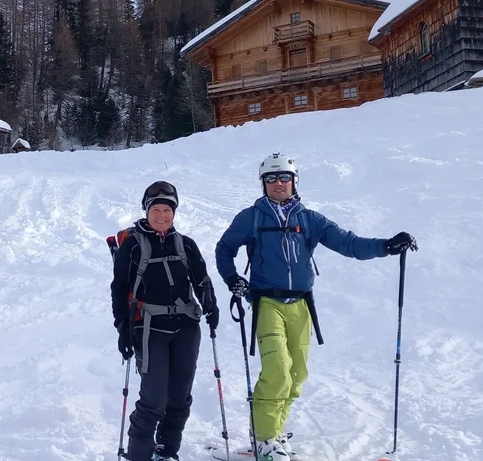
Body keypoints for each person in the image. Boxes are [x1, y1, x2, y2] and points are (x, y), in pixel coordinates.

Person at [215, 153, 417, 461]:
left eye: (284, 177)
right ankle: (264, 440)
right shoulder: (251, 218)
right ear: (263, 184)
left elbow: (349, 243)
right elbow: (224, 248)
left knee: (297, 373)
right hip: (267, 303)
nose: (278, 183)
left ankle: (274, 433)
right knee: (278, 370)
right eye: (271, 178)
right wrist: (233, 279)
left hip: (301, 305)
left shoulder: (309, 219)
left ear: (294, 181)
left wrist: (386, 246)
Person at [111, 180, 219, 461]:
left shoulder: (186, 244)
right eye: (156, 210)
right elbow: (119, 288)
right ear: (147, 211)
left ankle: (166, 451)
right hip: (149, 330)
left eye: (167, 210)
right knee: (154, 400)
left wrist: (210, 304)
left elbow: (201, 279)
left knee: (180, 398)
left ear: (174, 212)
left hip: (186, 328)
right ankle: (139, 456)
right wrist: (122, 328)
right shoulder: (132, 246)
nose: (161, 216)